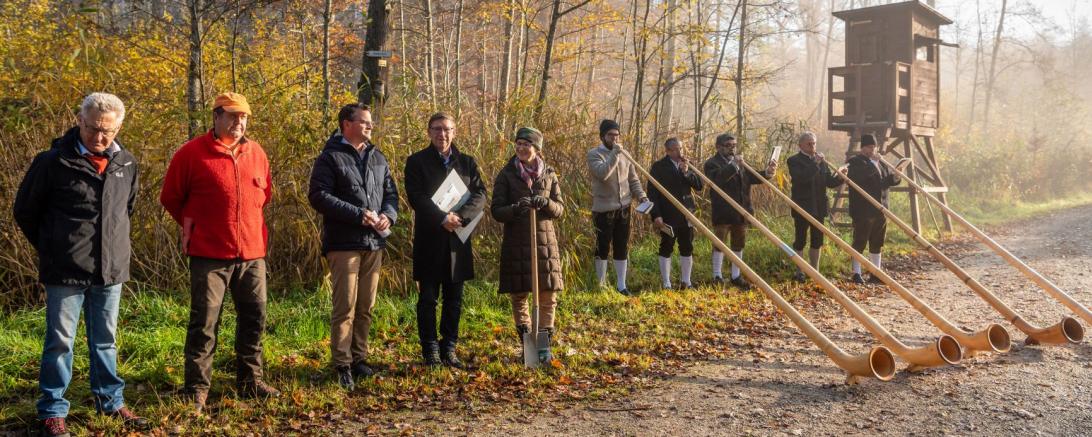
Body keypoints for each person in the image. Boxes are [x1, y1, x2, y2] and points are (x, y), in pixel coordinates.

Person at [14, 92, 148, 436]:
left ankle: (111, 401)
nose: (101, 137)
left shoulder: (127, 163)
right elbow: (25, 211)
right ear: (79, 120)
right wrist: (54, 248)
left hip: (111, 269)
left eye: (109, 131)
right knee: (60, 341)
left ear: (119, 127)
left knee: (105, 339)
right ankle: (52, 410)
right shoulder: (52, 162)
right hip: (65, 270)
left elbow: (126, 212)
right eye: (94, 129)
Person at [160, 92, 279, 413]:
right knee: (205, 322)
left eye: (243, 117)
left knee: (255, 317)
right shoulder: (191, 154)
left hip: (252, 253)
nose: (238, 122)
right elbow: (171, 197)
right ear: (216, 116)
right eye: (232, 115)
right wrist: (195, 226)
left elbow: (263, 196)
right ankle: (196, 389)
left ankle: (250, 381)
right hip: (208, 254)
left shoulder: (257, 153)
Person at [307, 103, 398, 390]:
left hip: (374, 242)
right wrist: (357, 214)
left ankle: (360, 359)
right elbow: (319, 196)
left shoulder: (377, 156)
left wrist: (388, 217)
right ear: (347, 124)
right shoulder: (330, 157)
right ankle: (342, 364)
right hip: (344, 243)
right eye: (365, 122)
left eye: (371, 123)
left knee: (366, 306)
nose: (370, 127)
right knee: (344, 306)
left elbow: (391, 194)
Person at [403, 112, 487, 368]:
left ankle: (449, 348)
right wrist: (441, 218)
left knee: (454, 298)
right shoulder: (417, 161)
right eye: (437, 129)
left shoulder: (467, 163)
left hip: (457, 240)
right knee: (428, 298)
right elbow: (415, 196)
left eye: (447, 129)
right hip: (430, 238)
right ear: (429, 132)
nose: (443, 134)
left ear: (455, 132)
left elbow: (480, 194)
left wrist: (459, 217)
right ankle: (430, 350)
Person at [489, 127, 564, 363]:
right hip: (516, 242)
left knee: (547, 295)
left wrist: (547, 204)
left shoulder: (549, 175)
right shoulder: (506, 174)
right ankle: (526, 343)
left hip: (544, 244)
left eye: (526, 144)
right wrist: (515, 208)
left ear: (537, 149)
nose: (521, 148)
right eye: (518, 143)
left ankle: (543, 344)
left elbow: (560, 209)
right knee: (519, 295)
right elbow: (496, 211)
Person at [703, 133, 777, 290]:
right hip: (723, 211)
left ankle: (736, 276)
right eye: (728, 146)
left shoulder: (740, 162)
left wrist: (768, 173)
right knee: (719, 243)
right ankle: (717, 275)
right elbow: (718, 179)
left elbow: (753, 177)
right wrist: (734, 166)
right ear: (718, 147)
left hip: (741, 210)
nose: (732, 149)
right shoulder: (712, 163)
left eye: (734, 145)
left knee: (739, 244)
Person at [586, 119, 648, 296]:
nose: (614, 138)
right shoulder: (594, 154)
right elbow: (603, 174)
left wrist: (641, 195)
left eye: (616, 135)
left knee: (622, 246)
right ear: (602, 136)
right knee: (602, 246)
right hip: (603, 208)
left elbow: (633, 179)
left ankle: (622, 285)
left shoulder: (624, 153)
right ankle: (601, 285)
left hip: (624, 207)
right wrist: (614, 153)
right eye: (610, 135)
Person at [786, 131, 843, 282]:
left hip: (819, 206)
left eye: (814, 143)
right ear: (801, 145)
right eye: (809, 144)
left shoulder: (821, 161)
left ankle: (815, 271)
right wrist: (815, 163)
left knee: (817, 240)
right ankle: (800, 271)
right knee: (800, 239)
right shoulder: (794, 160)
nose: (812, 146)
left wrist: (841, 177)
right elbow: (802, 178)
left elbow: (829, 182)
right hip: (802, 206)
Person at [647, 137, 703, 290]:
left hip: (687, 214)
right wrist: (656, 215)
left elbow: (699, 185)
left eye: (682, 148)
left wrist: (686, 172)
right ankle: (666, 283)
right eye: (677, 149)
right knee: (667, 246)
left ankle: (686, 282)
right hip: (668, 214)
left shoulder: (687, 164)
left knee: (687, 246)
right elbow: (652, 193)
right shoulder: (658, 167)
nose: (681, 152)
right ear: (668, 151)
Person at [846, 133, 901, 284]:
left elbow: (885, 181)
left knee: (877, 241)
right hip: (863, 209)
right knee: (860, 240)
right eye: (870, 147)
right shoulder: (855, 162)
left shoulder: (881, 163)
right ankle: (856, 273)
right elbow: (861, 178)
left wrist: (896, 176)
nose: (872, 150)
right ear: (863, 148)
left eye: (874, 147)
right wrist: (872, 163)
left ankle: (875, 272)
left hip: (881, 208)